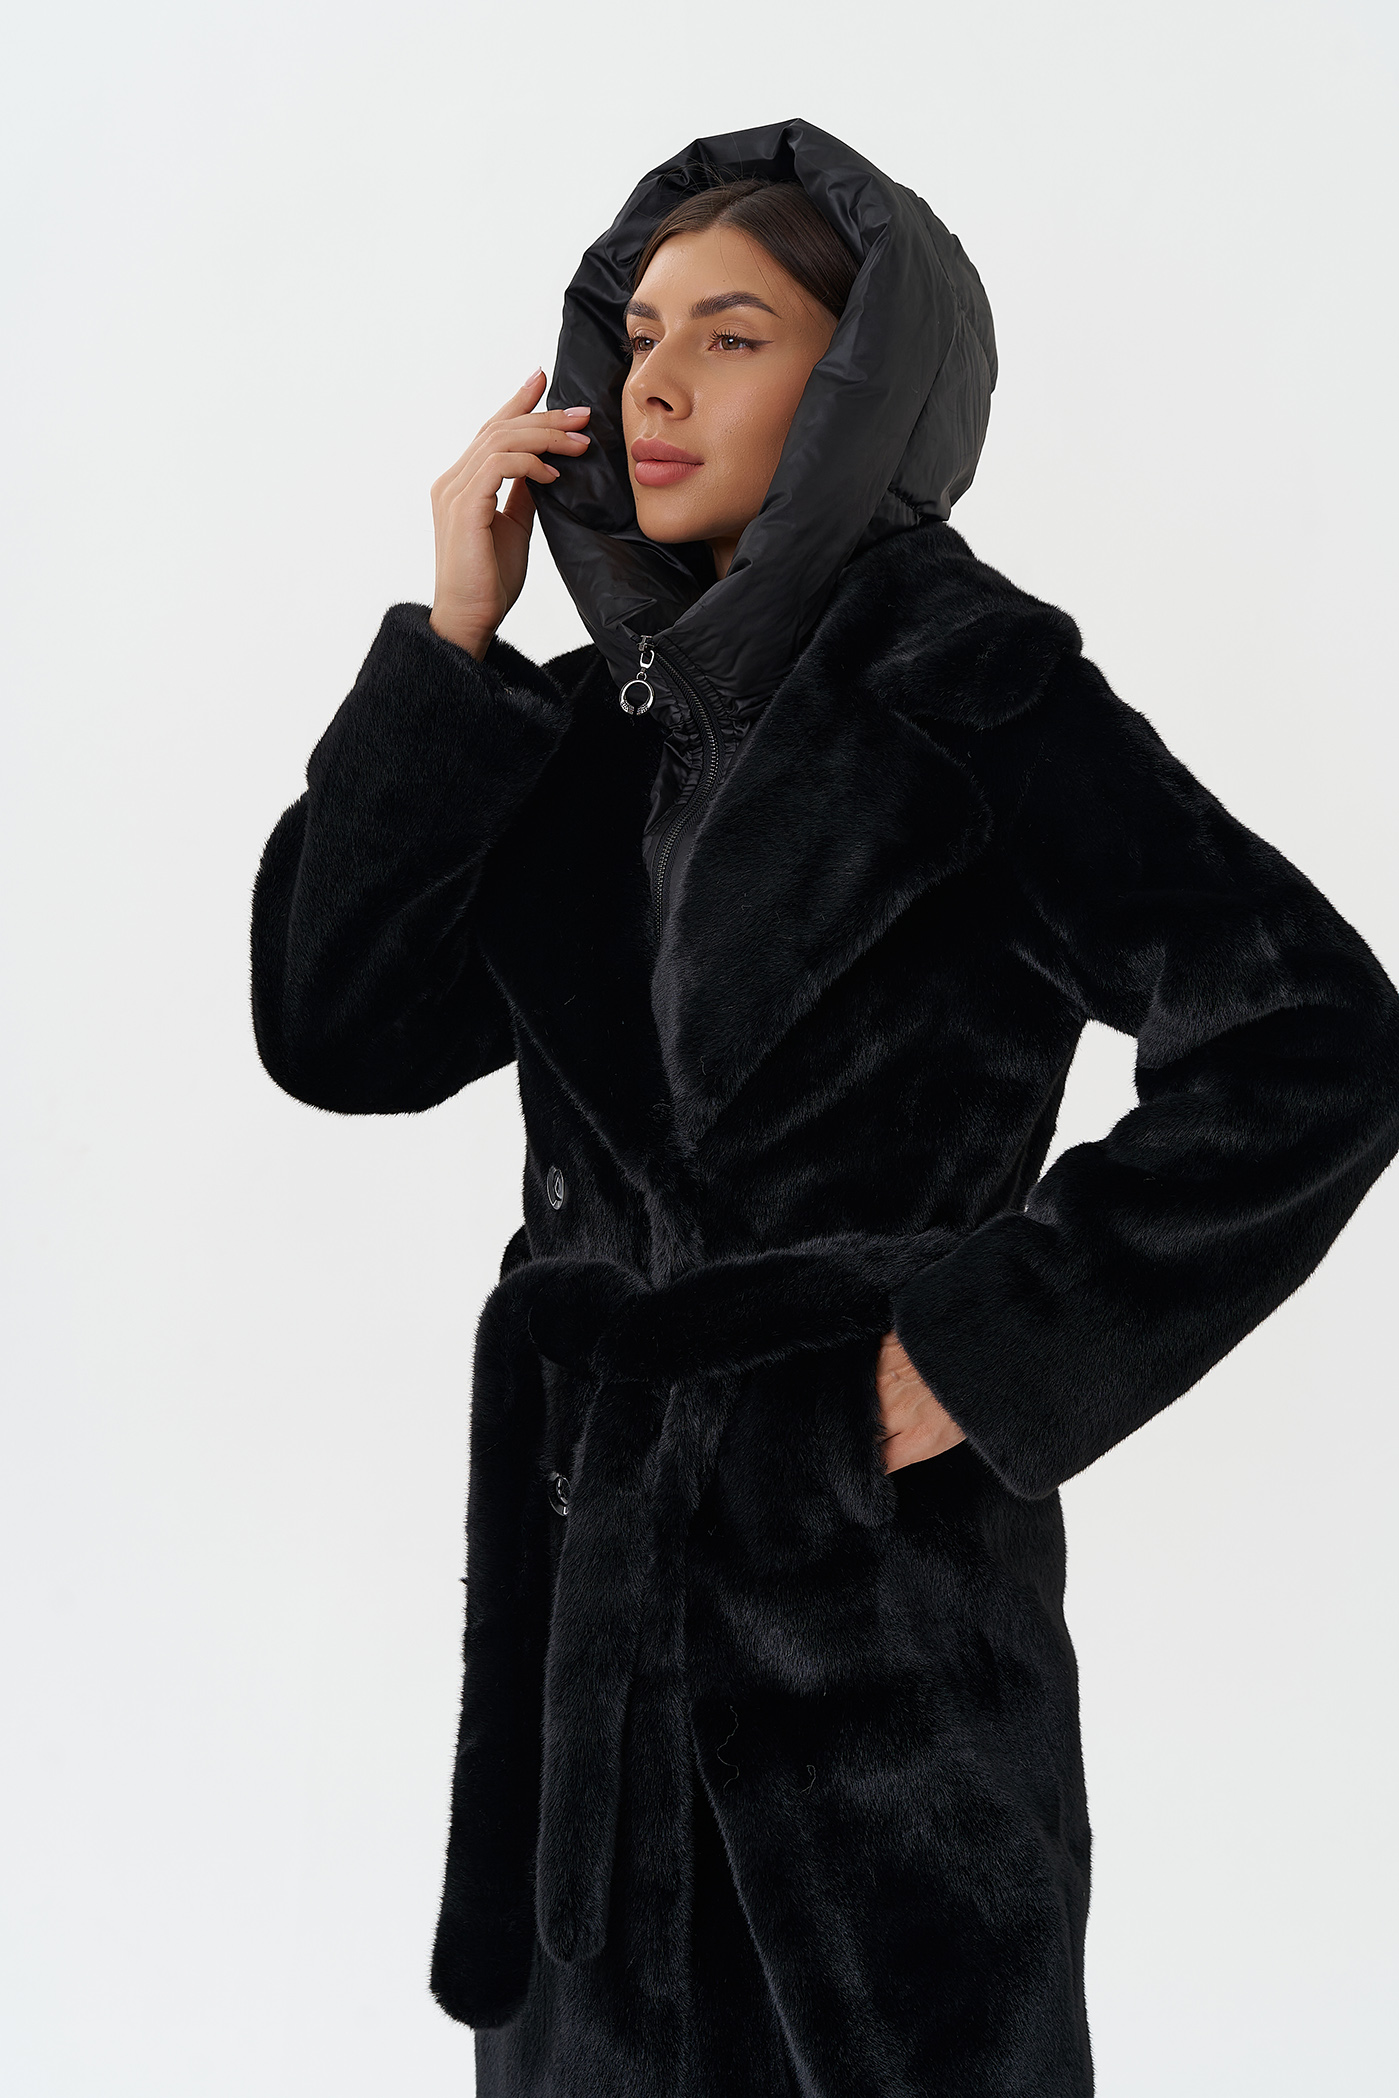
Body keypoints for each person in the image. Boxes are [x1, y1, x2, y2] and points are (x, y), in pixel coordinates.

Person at [249, 119, 1399, 2098]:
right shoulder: (590, 737)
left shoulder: (974, 691)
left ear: (860, 384)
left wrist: (981, 1349)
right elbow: (335, 1029)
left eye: (735, 333)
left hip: (871, 1666)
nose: (656, 384)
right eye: (635, 336)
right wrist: (452, 642)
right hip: (586, 1678)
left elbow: (1315, 1037)